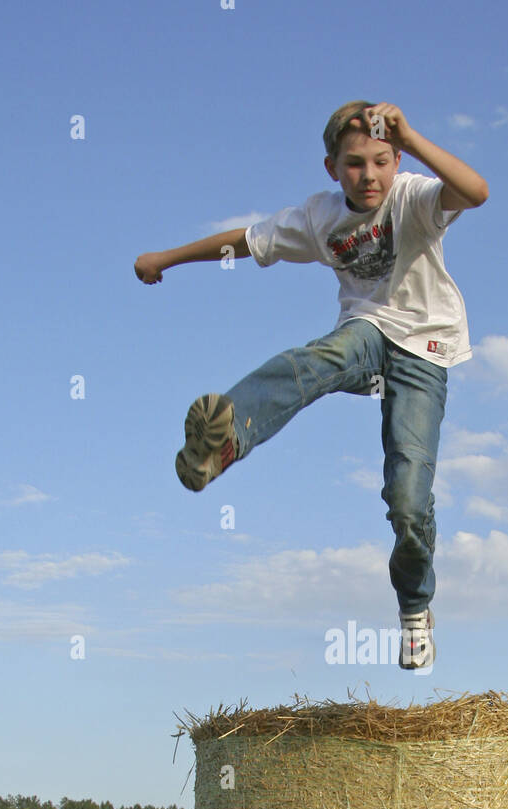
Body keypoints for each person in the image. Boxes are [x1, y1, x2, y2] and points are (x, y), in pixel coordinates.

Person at [134, 101, 488, 669]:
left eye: (379, 162)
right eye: (353, 165)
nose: (367, 176)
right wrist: (167, 259)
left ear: (396, 160)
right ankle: (225, 439)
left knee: (407, 498)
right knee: (319, 358)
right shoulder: (319, 216)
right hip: (368, 337)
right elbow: (244, 243)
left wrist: (413, 138)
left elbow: (475, 191)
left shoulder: (414, 196)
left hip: (427, 351)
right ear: (331, 168)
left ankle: (416, 609)